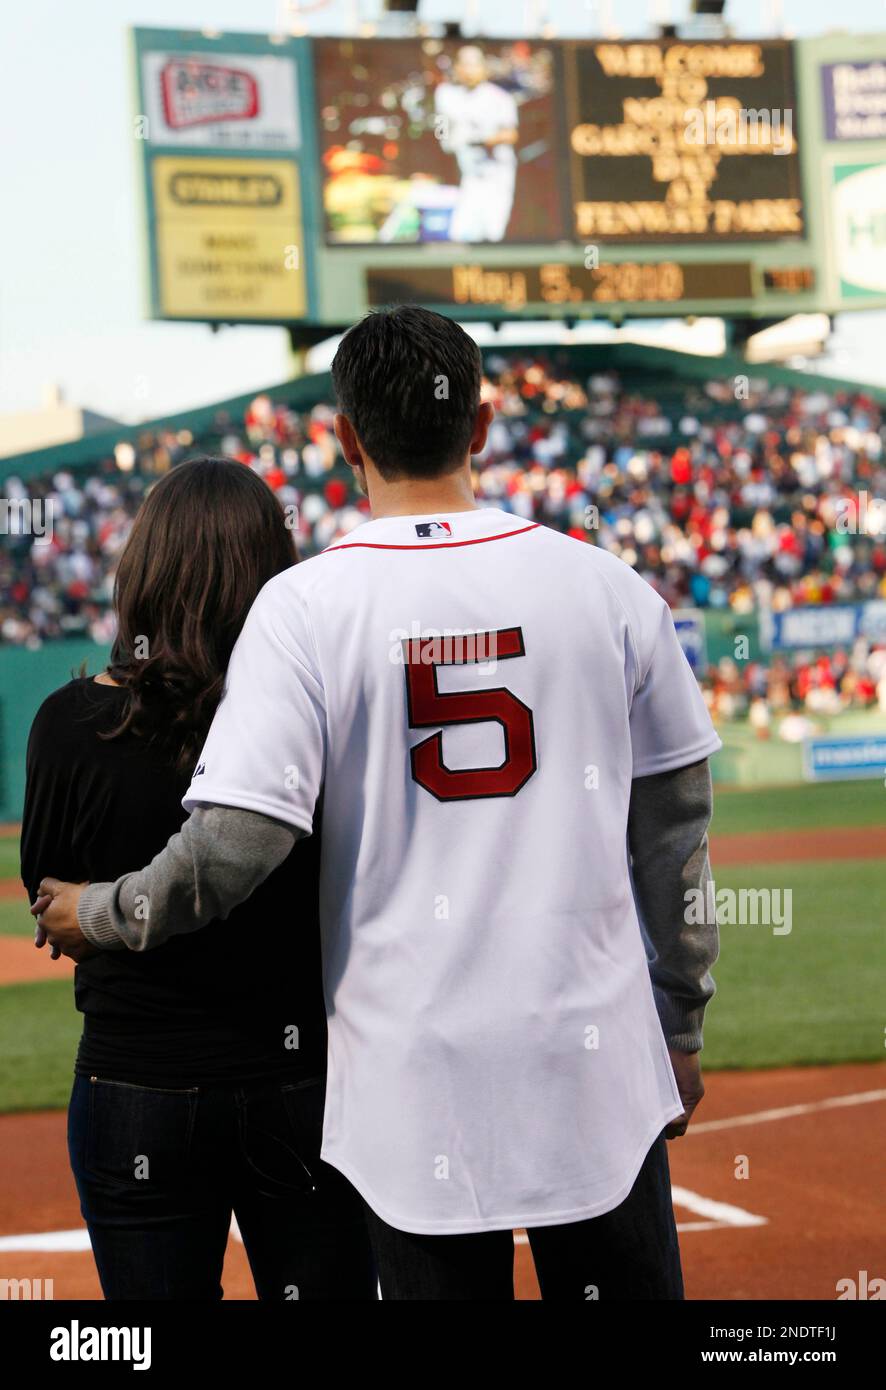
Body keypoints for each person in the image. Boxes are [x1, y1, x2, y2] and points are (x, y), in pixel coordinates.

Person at [36, 307, 720, 1302]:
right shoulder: (610, 589)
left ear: (346, 436)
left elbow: (232, 846)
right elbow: (676, 846)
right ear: (482, 424)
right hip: (596, 1063)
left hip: (412, 1084)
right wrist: (682, 1021)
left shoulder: (306, 605)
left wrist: (100, 910)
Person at [23, 458, 375, 1302]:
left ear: (141, 569)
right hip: (304, 1085)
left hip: (134, 1081)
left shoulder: (69, 726)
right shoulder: (314, 718)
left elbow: (50, 904)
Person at [435, 46, 518, 243]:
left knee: (492, 233)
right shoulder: (446, 94)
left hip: (497, 176)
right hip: (469, 176)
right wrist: (446, 140)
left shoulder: (500, 98)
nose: (468, 70)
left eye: (473, 64)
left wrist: (479, 141)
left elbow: (511, 134)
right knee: (459, 234)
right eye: (464, 64)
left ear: (483, 67)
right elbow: (441, 127)